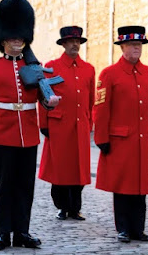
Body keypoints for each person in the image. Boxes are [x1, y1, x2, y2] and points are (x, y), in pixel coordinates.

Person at [0, 0, 60, 251]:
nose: (17, 41)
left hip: (29, 134)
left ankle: (22, 231)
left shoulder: (32, 66)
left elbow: (38, 98)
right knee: (4, 186)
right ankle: (3, 232)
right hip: (2, 134)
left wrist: (49, 103)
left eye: (20, 38)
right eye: (13, 38)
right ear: (3, 40)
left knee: (25, 186)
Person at [94, 25, 148, 243]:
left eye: (139, 45)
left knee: (141, 187)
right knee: (123, 186)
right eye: (132, 45)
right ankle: (123, 228)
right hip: (120, 140)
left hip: (144, 139)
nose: (137, 49)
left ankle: (138, 229)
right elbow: (100, 108)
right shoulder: (109, 74)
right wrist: (101, 138)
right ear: (122, 47)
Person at [38, 26, 95, 221]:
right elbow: (44, 96)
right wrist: (43, 123)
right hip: (59, 125)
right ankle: (62, 206)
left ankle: (75, 208)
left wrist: (90, 121)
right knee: (61, 168)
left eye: (78, 41)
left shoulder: (88, 69)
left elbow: (91, 100)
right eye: (71, 41)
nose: (75, 45)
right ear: (63, 44)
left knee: (79, 168)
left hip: (80, 125)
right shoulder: (52, 67)